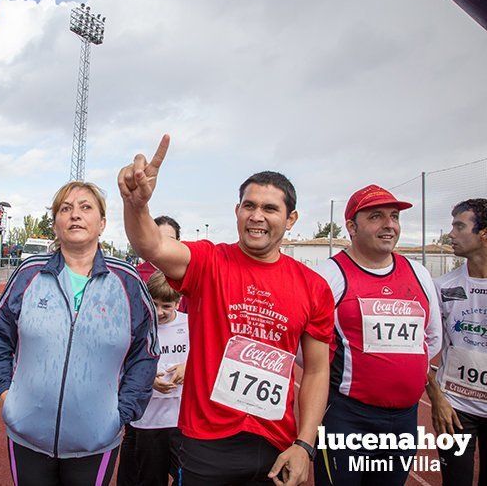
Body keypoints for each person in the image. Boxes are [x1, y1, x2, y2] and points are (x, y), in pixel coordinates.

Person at [118, 136, 335, 485]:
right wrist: (136, 205)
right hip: (207, 443)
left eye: (270, 209)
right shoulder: (209, 261)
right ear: (237, 211)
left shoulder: (314, 287)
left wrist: (305, 444)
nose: (257, 216)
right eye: (248, 206)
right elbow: (152, 245)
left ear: (291, 219)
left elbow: (316, 371)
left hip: (275, 445)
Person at [0, 181, 159, 486]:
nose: (75, 215)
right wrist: (6, 394)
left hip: (97, 440)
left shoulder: (127, 282)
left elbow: (145, 354)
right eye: (66, 208)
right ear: (55, 225)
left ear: (102, 223)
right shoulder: (29, 274)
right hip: (26, 436)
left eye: (86, 207)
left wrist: (121, 413)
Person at [313, 184, 442, 486]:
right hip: (347, 418)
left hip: (404, 420)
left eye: (394, 216)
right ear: (351, 227)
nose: (389, 225)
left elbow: (431, 338)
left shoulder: (419, 273)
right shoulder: (328, 276)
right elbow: (310, 352)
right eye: (376, 217)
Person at [426, 198, 487, 486]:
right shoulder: (443, 287)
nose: (451, 233)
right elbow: (422, 347)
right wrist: (437, 398)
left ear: (483, 233)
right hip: (456, 409)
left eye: (459, 226)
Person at [118, 271, 188, 486]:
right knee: (149, 479)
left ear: (178, 301)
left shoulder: (191, 324)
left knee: (187, 477)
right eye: (154, 304)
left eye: (166, 306)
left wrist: (189, 367)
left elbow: (209, 358)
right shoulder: (136, 326)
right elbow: (119, 365)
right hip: (147, 421)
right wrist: (147, 378)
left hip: (181, 420)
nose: (159, 312)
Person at [136, 215, 189, 314]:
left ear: (178, 241)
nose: (166, 243)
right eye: (160, 238)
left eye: (171, 239)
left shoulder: (188, 276)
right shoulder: (135, 275)